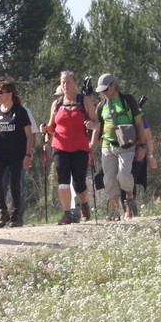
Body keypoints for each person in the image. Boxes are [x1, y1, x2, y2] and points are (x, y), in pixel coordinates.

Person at [91, 73, 151, 221]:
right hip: (107, 147)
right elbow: (97, 128)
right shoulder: (101, 106)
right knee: (109, 180)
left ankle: (129, 198)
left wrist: (142, 146)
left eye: (106, 89)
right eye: (102, 90)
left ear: (114, 85)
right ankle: (114, 211)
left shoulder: (128, 101)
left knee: (124, 175)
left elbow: (139, 124)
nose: (104, 93)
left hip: (127, 145)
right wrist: (91, 147)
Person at [0, 80, 34, 228]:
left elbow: (29, 135)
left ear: (10, 94)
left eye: (0, 92)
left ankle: (16, 215)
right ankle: (3, 211)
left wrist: (28, 155)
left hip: (17, 154)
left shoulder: (20, 112)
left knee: (15, 183)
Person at [46, 70, 94, 224]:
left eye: (68, 82)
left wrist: (91, 125)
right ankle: (67, 213)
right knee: (63, 180)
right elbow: (51, 127)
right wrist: (45, 129)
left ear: (75, 83)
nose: (65, 85)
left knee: (79, 184)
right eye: (63, 82)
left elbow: (96, 122)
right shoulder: (56, 104)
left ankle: (84, 203)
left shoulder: (85, 101)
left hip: (80, 147)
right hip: (60, 147)